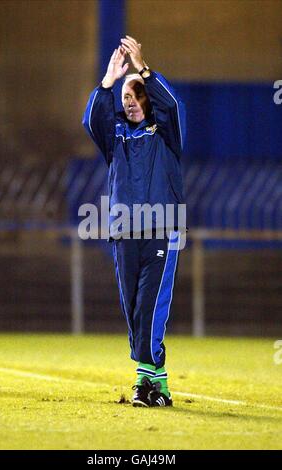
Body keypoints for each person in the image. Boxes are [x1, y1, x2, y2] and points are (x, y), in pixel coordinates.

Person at [83, 35, 186, 407]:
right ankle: (151, 384)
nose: (133, 102)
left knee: (150, 309)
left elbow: (171, 105)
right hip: (125, 233)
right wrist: (109, 81)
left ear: (148, 100)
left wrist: (143, 70)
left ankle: (155, 385)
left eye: (139, 96)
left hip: (162, 230)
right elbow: (93, 120)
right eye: (127, 99)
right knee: (134, 310)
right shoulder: (117, 138)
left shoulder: (167, 135)